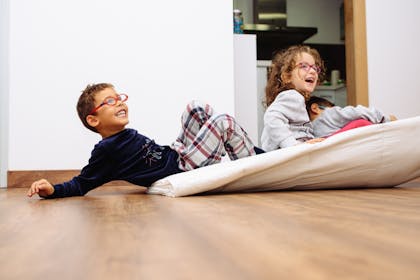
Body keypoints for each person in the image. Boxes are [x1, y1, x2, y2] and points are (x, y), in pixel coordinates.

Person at [27, 83, 263, 199]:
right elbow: (81, 184)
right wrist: (52, 191)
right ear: (93, 119)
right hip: (181, 170)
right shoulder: (106, 151)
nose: (120, 102)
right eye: (110, 101)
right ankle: (259, 164)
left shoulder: (124, 135)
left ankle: (247, 151)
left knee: (196, 108)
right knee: (222, 122)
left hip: (176, 154)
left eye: (119, 98)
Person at [261, 45, 326, 151]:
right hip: (283, 155)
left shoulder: (297, 100)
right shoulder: (292, 96)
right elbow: (271, 117)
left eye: (315, 68)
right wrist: (292, 145)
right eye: (304, 66)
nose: (313, 71)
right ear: (287, 77)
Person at [306, 96, 397, 138]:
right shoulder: (328, 114)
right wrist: (384, 118)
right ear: (315, 108)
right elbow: (355, 112)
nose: (337, 110)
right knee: (361, 122)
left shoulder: (309, 132)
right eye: (332, 107)